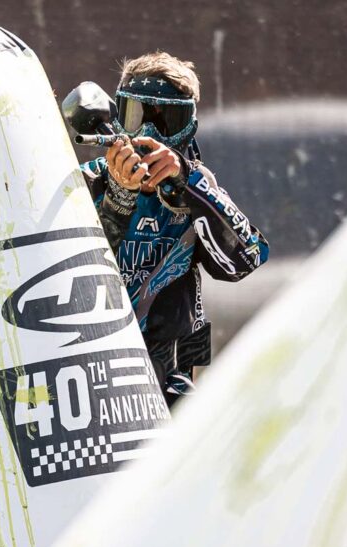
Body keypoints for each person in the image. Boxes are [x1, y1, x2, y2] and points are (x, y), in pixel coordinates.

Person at [80, 51, 268, 407]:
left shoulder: (196, 186)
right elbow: (73, 278)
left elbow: (247, 259)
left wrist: (188, 183)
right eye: (137, 116)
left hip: (172, 377)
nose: (148, 134)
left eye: (166, 120)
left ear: (189, 126)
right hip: (95, 370)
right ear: (118, 118)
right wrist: (119, 200)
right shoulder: (87, 183)